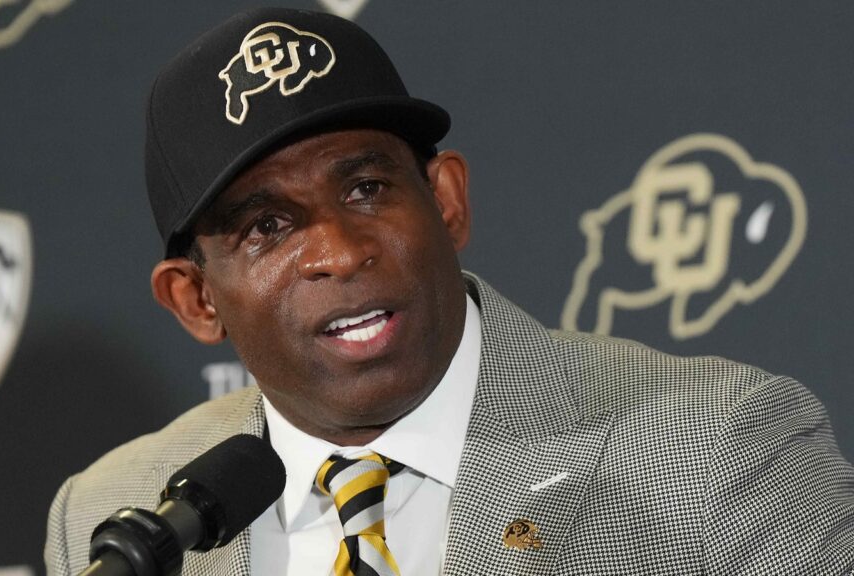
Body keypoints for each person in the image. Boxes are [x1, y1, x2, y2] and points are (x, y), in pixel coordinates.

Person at [45, 7, 854, 575]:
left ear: (447, 201)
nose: (340, 250)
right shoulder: (113, 518)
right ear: (196, 300)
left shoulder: (717, 449)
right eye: (268, 228)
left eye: (365, 188)